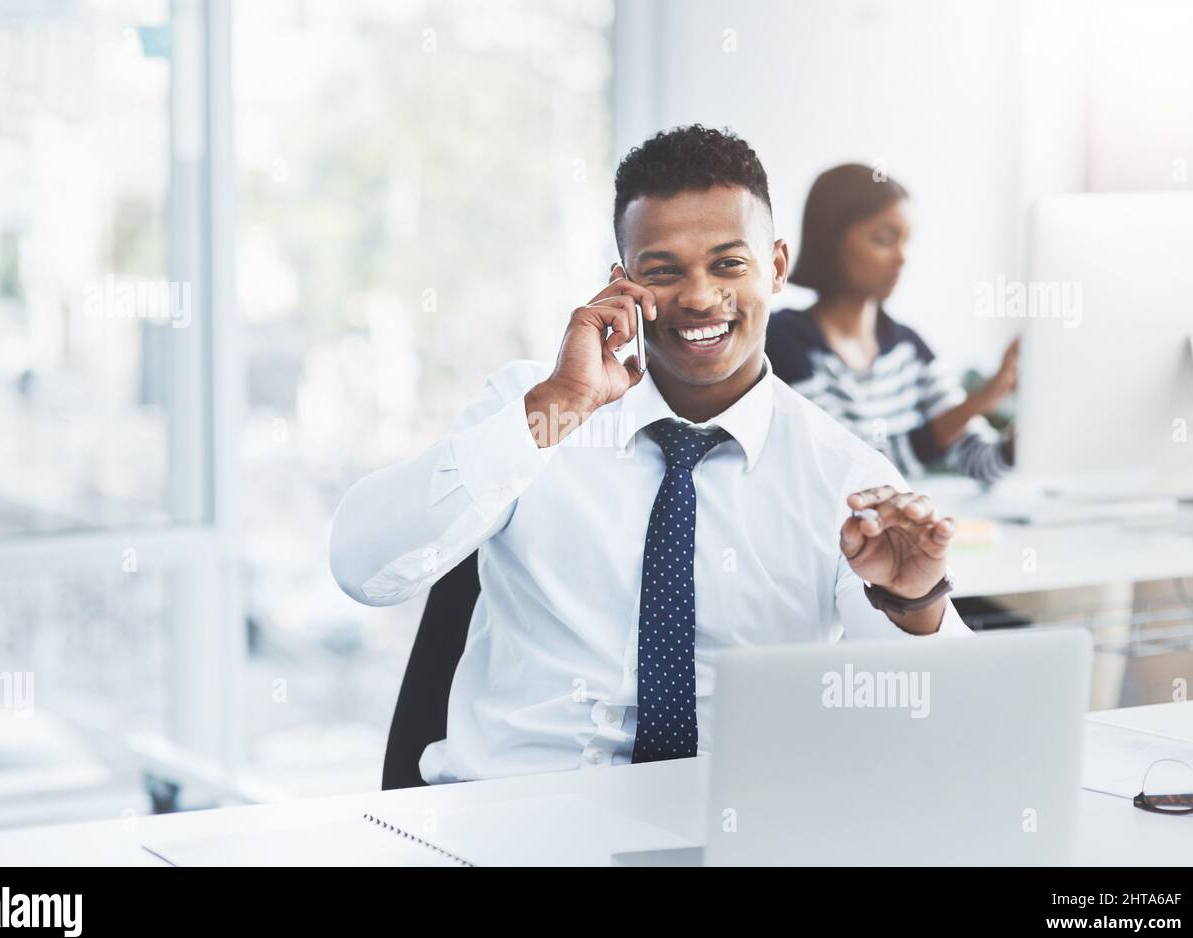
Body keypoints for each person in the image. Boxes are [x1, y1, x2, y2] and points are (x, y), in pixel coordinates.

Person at [330, 125, 970, 785]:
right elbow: (362, 566)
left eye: (728, 263)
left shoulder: (845, 476)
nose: (697, 296)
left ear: (776, 267)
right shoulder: (533, 405)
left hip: (731, 831)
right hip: (513, 820)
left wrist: (916, 602)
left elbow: (930, 733)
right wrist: (553, 410)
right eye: (664, 270)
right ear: (623, 282)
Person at [766, 164, 1018, 486]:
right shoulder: (785, 342)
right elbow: (852, 471)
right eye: (885, 239)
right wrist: (984, 398)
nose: (902, 258)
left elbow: (979, 461)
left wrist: (1026, 434)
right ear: (831, 239)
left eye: (906, 241)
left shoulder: (910, 348)